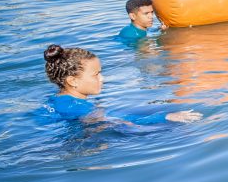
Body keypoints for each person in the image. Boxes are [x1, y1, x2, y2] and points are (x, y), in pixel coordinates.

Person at [43, 44, 200, 123]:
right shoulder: (80, 107)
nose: (102, 78)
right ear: (73, 81)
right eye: (96, 74)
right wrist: (166, 117)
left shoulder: (56, 99)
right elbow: (118, 118)